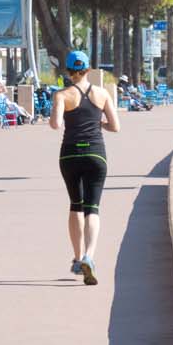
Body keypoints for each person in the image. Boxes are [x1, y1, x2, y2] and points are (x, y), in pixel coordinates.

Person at [49, 51, 119, 285]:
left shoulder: (62, 95)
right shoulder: (102, 94)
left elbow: (55, 124)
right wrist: (98, 122)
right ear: (88, 69)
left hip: (70, 153)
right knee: (93, 208)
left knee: (75, 205)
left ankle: (78, 258)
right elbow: (115, 127)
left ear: (68, 71)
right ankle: (90, 255)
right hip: (96, 153)